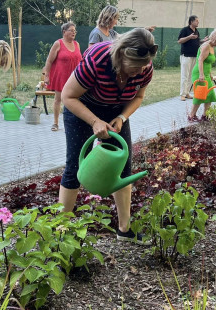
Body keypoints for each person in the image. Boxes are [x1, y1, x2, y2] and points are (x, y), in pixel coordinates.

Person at [60, 28, 156, 244]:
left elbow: (139, 96)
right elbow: (68, 96)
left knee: (123, 169)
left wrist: (122, 117)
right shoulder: (98, 59)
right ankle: (61, 230)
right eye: (133, 67)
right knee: (75, 166)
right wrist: (94, 121)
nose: (138, 72)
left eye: (142, 67)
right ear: (121, 53)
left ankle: (124, 230)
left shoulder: (145, 67)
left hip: (116, 112)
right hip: (82, 107)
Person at [42, 22, 82, 132]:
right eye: (71, 30)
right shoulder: (58, 43)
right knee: (58, 100)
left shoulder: (77, 44)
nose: (74, 32)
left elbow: (80, 61)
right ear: (64, 32)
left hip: (74, 79)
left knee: (75, 100)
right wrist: (47, 76)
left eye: (75, 31)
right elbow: (49, 61)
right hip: (61, 78)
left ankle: (73, 122)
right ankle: (55, 123)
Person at [189, 28, 216, 121]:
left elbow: (208, 63)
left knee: (209, 95)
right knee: (199, 95)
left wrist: (210, 74)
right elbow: (200, 60)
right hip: (199, 73)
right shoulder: (206, 46)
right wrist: (201, 75)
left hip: (206, 73)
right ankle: (191, 116)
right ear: (215, 38)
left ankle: (205, 116)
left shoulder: (211, 47)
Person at [178, 15, 203, 101]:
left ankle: (187, 92)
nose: (198, 22)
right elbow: (179, 41)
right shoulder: (185, 30)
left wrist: (204, 41)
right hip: (186, 56)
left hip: (194, 56)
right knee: (185, 75)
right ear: (191, 22)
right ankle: (182, 94)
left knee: (190, 76)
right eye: (196, 21)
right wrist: (189, 37)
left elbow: (197, 42)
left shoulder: (196, 31)